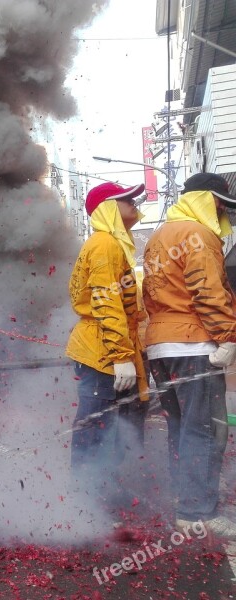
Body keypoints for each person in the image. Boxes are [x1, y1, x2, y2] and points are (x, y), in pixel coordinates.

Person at [143, 172, 236, 538]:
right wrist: (227, 336)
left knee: (181, 428)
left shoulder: (159, 237)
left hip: (161, 347)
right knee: (206, 430)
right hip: (193, 345)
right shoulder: (198, 235)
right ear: (207, 200)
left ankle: (186, 504)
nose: (223, 213)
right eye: (220, 204)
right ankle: (197, 510)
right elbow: (207, 290)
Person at [66, 181, 149, 502]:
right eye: (126, 198)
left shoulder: (108, 243)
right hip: (101, 353)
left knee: (106, 429)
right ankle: (86, 506)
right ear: (109, 208)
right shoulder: (104, 245)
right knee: (95, 430)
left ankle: (103, 499)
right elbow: (105, 302)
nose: (134, 201)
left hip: (101, 350)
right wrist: (121, 356)